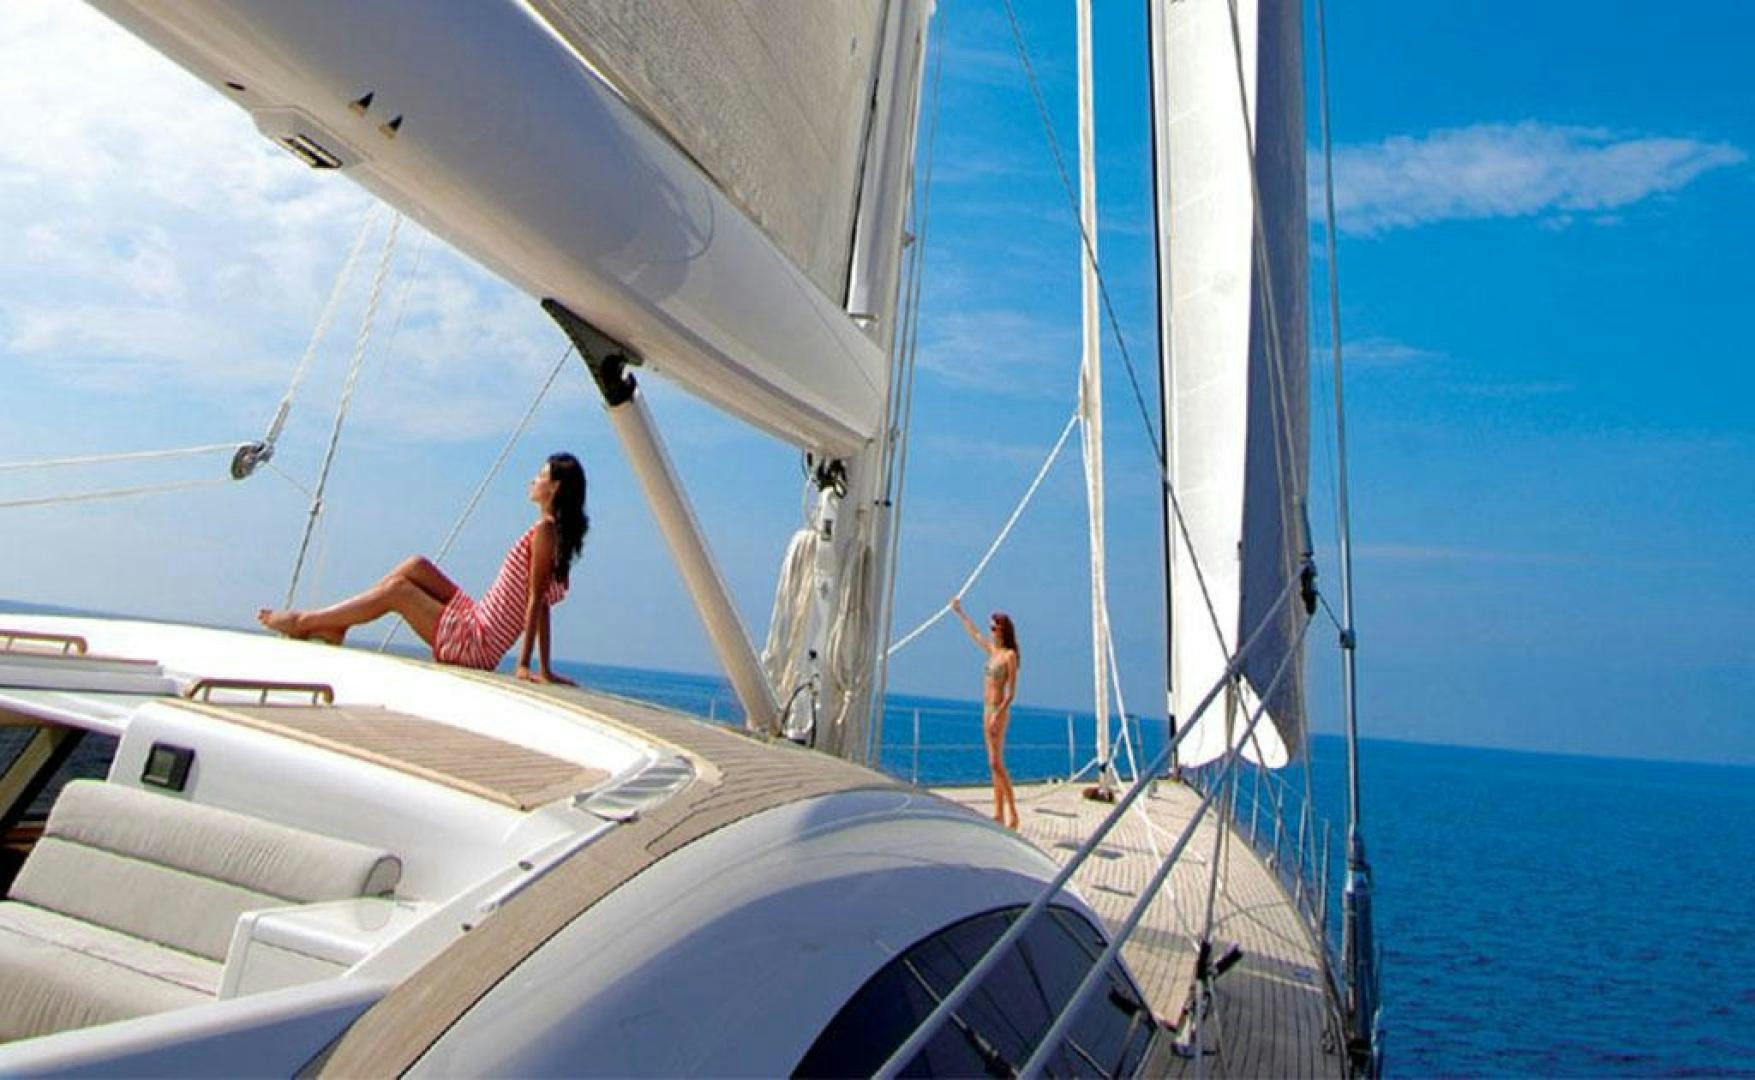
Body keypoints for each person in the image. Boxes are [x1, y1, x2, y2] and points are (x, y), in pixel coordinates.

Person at [258, 453, 588, 683]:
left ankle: (307, 621)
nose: (532, 480)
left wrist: (524, 665)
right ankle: (337, 624)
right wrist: (543, 668)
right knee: (417, 566)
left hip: (476, 644)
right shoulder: (549, 532)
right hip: (477, 619)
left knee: (398, 592)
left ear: (555, 487)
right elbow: (542, 603)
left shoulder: (546, 531)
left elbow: (536, 601)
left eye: (541, 476)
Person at [951, 595, 1020, 830]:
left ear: (1003, 629)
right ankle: (998, 813)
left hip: (998, 710)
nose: (991, 631)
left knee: (996, 762)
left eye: (994, 627)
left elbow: (1012, 692)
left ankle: (1013, 812)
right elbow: (975, 634)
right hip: (986, 708)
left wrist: (997, 714)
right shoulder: (993, 652)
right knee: (992, 765)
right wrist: (959, 613)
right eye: (991, 627)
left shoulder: (1009, 656)